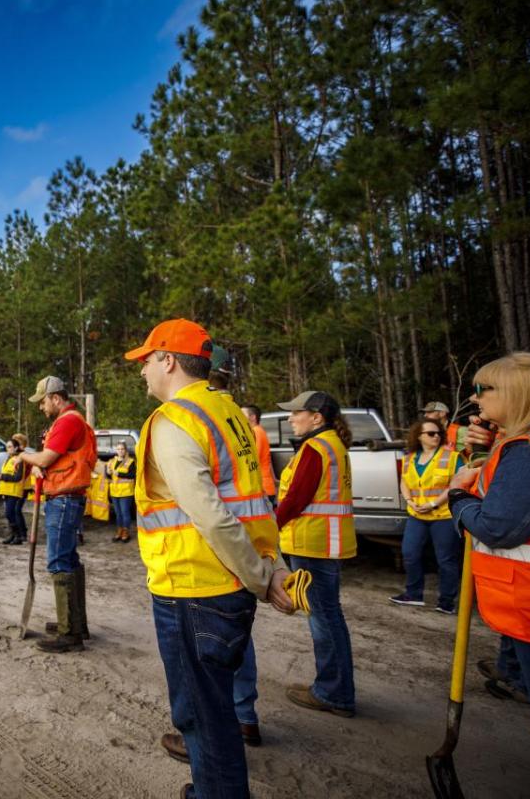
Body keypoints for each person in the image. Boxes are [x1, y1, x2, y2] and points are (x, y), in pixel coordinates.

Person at [124, 319, 293, 799]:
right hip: (229, 583)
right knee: (215, 704)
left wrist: (264, 577)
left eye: (146, 361)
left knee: (202, 712)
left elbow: (213, 517)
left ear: (169, 361)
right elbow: (254, 502)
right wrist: (271, 565)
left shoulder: (174, 421)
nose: (142, 373)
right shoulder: (229, 412)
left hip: (194, 587)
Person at [447, 352, 530, 753]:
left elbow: (499, 526)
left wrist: (457, 496)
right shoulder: (525, 444)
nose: (476, 399)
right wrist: (489, 451)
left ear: (519, 393)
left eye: (484, 389)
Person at [276, 389, 357, 718]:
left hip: (312, 543)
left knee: (324, 620)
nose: (291, 418)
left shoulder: (315, 447)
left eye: (297, 412)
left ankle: (333, 693)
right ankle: (334, 688)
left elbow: (295, 499)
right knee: (329, 617)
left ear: (317, 417)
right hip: (324, 542)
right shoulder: (331, 445)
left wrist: (270, 527)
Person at [18, 376, 97, 654]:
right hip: (66, 496)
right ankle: (75, 624)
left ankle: (69, 633)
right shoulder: (72, 421)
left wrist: (25, 457)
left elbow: (44, 458)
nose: (41, 407)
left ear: (55, 398)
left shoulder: (67, 421)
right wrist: (42, 468)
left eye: (42, 401)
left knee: (59, 561)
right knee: (69, 560)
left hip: (63, 499)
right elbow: (54, 461)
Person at [391, 418, 464, 613]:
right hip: (417, 515)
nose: (436, 436)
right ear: (419, 436)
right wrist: (409, 501)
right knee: (410, 553)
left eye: (439, 433)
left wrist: (433, 503)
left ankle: (446, 602)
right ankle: (414, 594)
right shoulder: (408, 458)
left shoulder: (452, 457)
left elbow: (457, 485)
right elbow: (404, 482)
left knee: (446, 559)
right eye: (431, 433)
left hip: (443, 515)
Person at [241, 405, 278, 505]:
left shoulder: (256, 432)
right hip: (264, 486)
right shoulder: (258, 431)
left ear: (253, 417)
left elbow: (251, 457)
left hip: (263, 487)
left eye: (242, 414)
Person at [0, 435, 29, 545]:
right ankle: (13, 535)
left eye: (10, 447)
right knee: (8, 514)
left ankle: (19, 535)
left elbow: (18, 477)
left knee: (10, 513)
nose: (8, 449)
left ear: (16, 448)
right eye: (7, 447)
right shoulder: (9, 458)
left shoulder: (19, 459)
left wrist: (2, 476)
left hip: (14, 490)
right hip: (6, 490)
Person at [106, 442, 136, 543]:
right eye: (118, 449)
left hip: (126, 492)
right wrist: (108, 472)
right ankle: (119, 530)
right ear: (116, 450)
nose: (120, 451)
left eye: (122, 449)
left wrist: (120, 473)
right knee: (118, 514)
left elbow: (133, 475)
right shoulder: (112, 461)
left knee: (125, 513)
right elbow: (109, 476)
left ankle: (126, 532)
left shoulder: (131, 462)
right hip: (115, 492)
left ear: (125, 450)